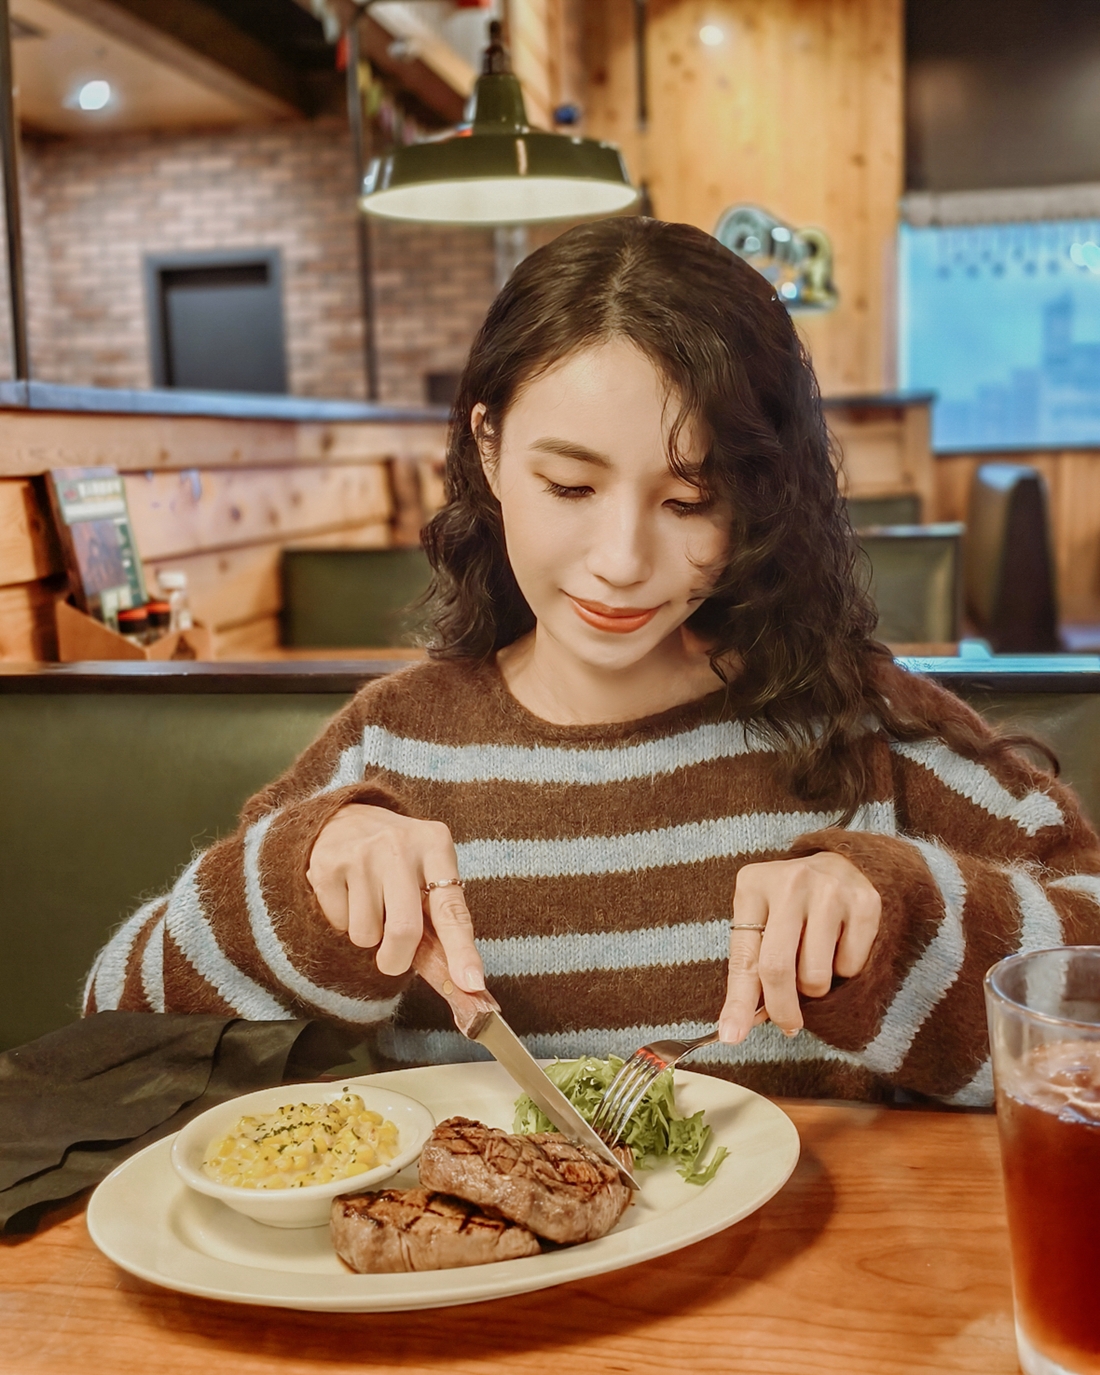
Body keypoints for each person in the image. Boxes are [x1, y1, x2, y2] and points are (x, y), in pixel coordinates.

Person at [84, 218, 1100, 1103]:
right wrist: (299, 893)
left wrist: (903, 918)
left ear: (756, 493)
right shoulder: (392, 747)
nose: (621, 563)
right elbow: (109, 1040)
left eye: (688, 500)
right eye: (570, 486)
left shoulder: (862, 728)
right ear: (487, 448)